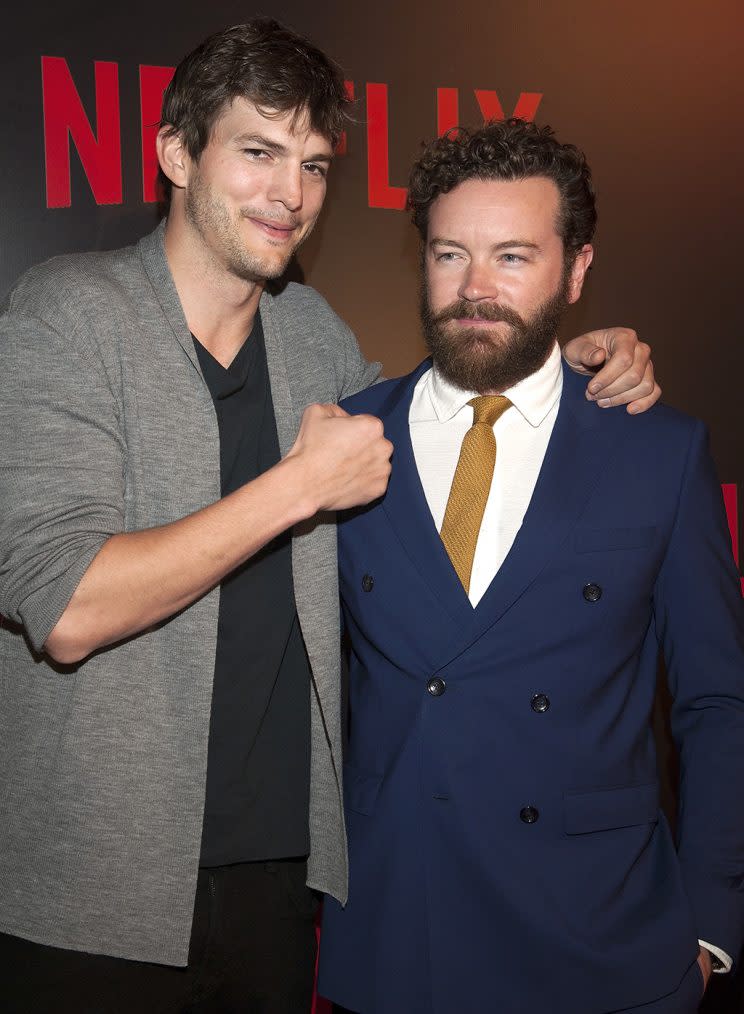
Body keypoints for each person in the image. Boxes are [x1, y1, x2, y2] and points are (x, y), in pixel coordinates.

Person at [0, 18, 657, 1013]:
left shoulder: (311, 335)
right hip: (93, 894)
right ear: (178, 152)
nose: (292, 194)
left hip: (279, 885)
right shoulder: (67, 314)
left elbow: (423, 434)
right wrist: (296, 486)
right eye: (259, 152)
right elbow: (69, 605)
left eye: (312, 164)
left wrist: (550, 374)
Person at [317, 119, 744, 1014]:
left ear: (576, 269)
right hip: (400, 938)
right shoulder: (342, 440)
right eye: (449, 255)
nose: (475, 290)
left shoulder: (658, 453)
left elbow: (717, 703)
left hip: (603, 941)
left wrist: (708, 926)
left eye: (513, 256)